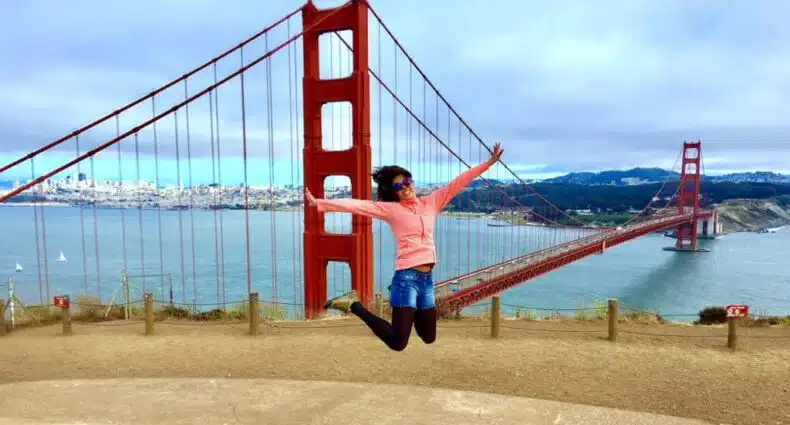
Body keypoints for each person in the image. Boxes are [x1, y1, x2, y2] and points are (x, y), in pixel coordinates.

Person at [303, 142, 504, 351]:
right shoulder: (392, 210)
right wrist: (319, 203)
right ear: (394, 192)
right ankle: (354, 305)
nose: (405, 186)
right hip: (406, 278)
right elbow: (359, 205)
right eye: (399, 186)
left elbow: (458, 182)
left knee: (428, 337)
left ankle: (405, 311)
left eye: (407, 181)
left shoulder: (431, 202)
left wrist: (488, 163)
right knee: (398, 342)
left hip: (426, 280)